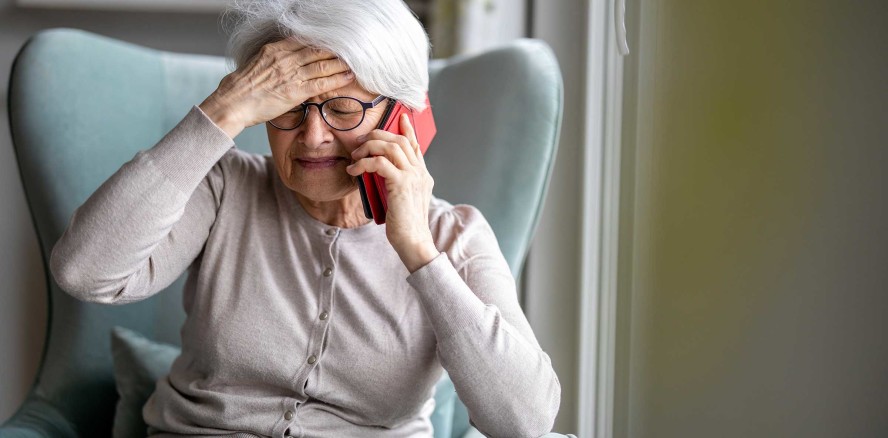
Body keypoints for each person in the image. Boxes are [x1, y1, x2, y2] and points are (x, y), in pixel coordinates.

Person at [49, 0, 561, 437]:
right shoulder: (223, 187)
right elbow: (84, 272)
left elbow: (525, 422)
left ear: (402, 117)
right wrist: (223, 110)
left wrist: (419, 252)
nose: (313, 137)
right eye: (289, 107)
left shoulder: (455, 236)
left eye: (343, 108)